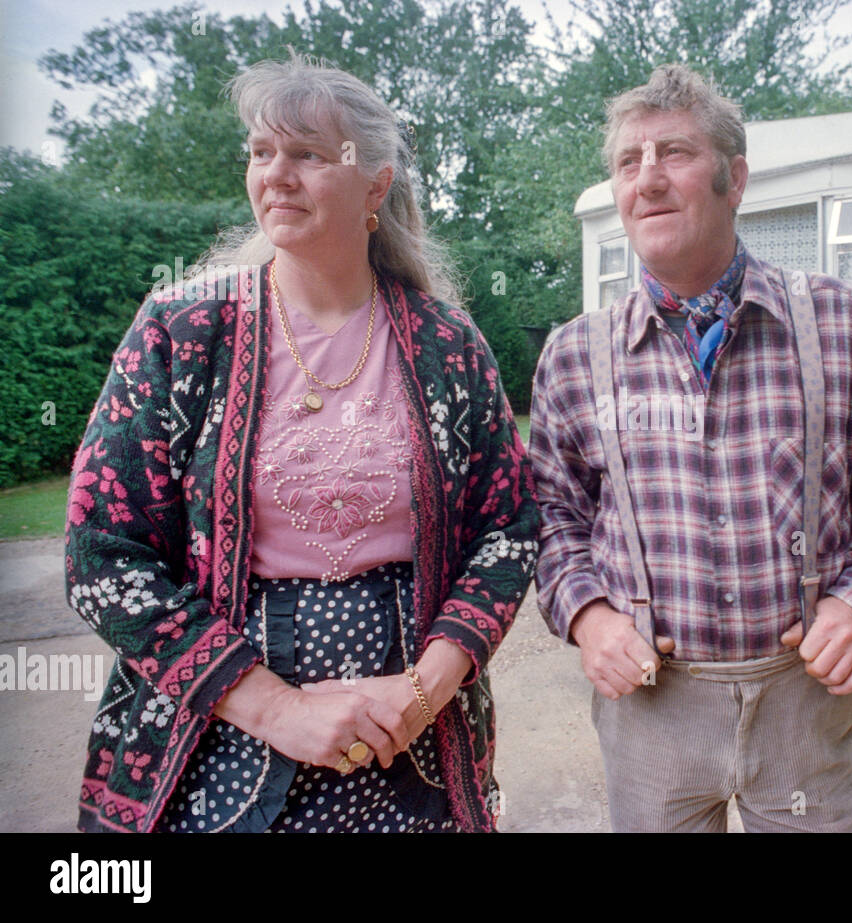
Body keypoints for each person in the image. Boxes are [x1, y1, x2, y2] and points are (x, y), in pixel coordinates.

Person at [65, 51, 538, 833]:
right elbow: (100, 549)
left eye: (309, 154)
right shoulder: (183, 330)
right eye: (260, 152)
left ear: (375, 185)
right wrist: (275, 708)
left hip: (412, 743)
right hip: (217, 738)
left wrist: (423, 690)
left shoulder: (447, 345)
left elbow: (510, 526)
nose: (275, 175)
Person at [529, 64, 852, 832]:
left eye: (675, 153)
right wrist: (589, 616)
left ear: (735, 178)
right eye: (629, 162)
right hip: (649, 707)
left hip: (802, 697)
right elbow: (550, 513)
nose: (648, 177)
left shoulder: (840, 321)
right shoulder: (573, 354)